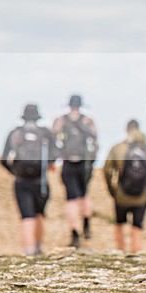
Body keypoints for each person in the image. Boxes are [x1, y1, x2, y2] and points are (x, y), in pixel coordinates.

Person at [0, 104, 59, 255]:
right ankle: (38, 247)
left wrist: (14, 172)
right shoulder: (45, 133)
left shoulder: (15, 133)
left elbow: (4, 159)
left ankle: (28, 251)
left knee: (27, 216)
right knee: (39, 214)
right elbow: (55, 154)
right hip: (41, 182)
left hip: (21, 181)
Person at [103, 120, 146, 253]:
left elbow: (107, 170)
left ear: (126, 130)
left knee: (119, 223)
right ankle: (136, 251)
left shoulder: (117, 148)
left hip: (121, 195)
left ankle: (120, 251)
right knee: (137, 226)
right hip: (141, 196)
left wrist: (113, 191)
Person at [52, 94, 98, 247]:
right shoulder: (88, 121)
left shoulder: (61, 121)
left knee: (71, 199)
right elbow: (96, 142)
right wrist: (92, 160)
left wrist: (57, 156)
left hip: (68, 163)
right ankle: (86, 223)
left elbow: (53, 140)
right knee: (84, 195)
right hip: (85, 164)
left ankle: (74, 232)